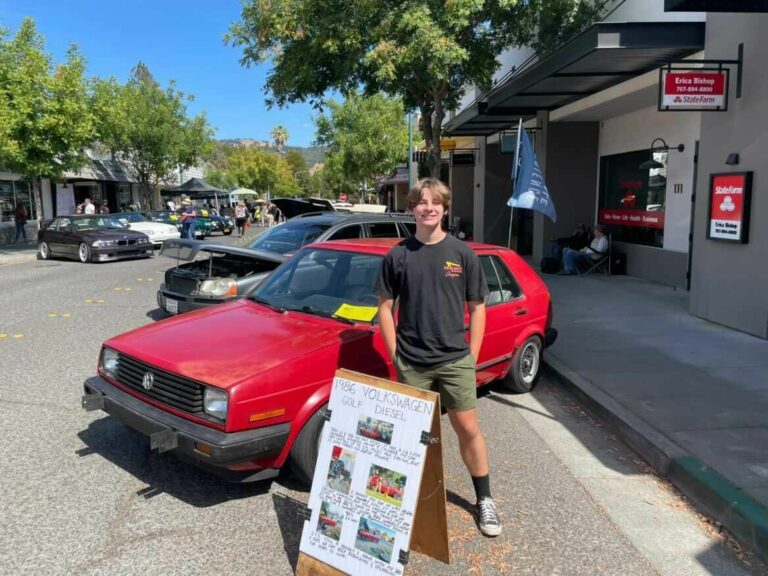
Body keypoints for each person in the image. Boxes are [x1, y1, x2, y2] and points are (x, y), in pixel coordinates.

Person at [376, 178, 501, 537]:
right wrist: (396, 355)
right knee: (411, 436)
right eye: (422, 202)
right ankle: (403, 502)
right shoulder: (398, 255)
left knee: (468, 429)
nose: (428, 207)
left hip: (454, 361)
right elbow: (384, 309)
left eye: (436, 202)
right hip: (412, 362)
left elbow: (478, 308)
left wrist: (471, 356)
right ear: (412, 207)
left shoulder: (462, 254)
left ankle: (485, 500)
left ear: (445, 209)